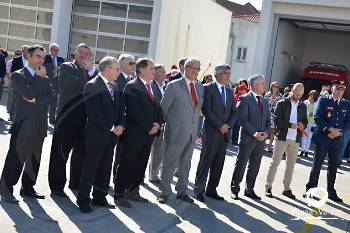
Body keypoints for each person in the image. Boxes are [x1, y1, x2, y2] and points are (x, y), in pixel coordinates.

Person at [0, 45, 55, 203]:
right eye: (38, 56)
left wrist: (37, 99)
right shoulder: (18, 75)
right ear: (28, 56)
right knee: (16, 159)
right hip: (24, 125)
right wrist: (39, 80)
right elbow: (28, 94)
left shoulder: (44, 76)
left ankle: (28, 188)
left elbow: (52, 98)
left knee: (34, 159)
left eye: (43, 57)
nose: (41, 60)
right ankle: (5, 189)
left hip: (40, 125)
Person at [48, 43, 98, 197]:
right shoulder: (67, 67)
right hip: (66, 119)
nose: (83, 55)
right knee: (60, 155)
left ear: (91, 57)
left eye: (87, 53)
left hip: (85, 121)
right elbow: (76, 85)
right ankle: (56, 186)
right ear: (75, 54)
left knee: (80, 155)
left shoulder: (94, 73)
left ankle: (75, 183)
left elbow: (98, 89)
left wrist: (91, 71)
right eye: (80, 52)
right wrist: (89, 72)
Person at [77, 56, 125, 213]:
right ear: (106, 69)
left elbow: (120, 110)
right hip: (96, 135)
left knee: (105, 169)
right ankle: (83, 200)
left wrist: (121, 125)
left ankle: (100, 198)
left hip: (111, 136)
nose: (119, 71)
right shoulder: (92, 85)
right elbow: (94, 113)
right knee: (90, 169)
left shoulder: (116, 86)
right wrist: (112, 127)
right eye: (117, 68)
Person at [114, 58, 163, 208]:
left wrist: (158, 124)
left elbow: (159, 108)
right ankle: (119, 194)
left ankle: (134, 192)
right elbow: (134, 111)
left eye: (154, 69)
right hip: (134, 134)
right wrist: (149, 126)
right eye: (151, 69)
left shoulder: (153, 86)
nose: (154, 72)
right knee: (127, 164)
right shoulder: (132, 86)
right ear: (141, 70)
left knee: (140, 165)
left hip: (149, 135)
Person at [157, 57, 204, 204]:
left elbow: (196, 110)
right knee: (170, 163)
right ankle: (164, 192)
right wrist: (171, 125)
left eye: (198, 69)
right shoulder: (174, 85)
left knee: (186, 163)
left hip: (192, 133)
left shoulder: (200, 87)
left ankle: (182, 191)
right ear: (186, 68)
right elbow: (163, 109)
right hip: (176, 132)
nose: (195, 71)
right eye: (193, 68)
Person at [194, 64, 237, 202]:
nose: (228, 76)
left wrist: (228, 125)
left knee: (219, 163)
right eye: (225, 73)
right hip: (211, 131)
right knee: (205, 161)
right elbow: (207, 110)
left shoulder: (230, 91)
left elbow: (234, 112)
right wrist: (220, 125)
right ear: (217, 74)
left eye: (229, 73)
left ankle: (212, 189)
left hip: (224, 133)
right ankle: (199, 190)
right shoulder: (208, 88)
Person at [305, 81, 350, 203]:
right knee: (317, 165)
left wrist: (339, 132)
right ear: (332, 89)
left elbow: (348, 121)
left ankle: (331, 191)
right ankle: (310, 189)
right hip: (323, 138)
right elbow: (317, 117)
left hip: (337, 139)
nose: (339, 92)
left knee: (333, 166)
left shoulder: (346, 104)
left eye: (342, 89)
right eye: (337, 89)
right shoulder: (324, 100)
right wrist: (330, 130)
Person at [230, 74, 270, 200]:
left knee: (255, 166)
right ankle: (235, 189)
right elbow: (243, 120)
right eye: (262, 83)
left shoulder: (264, 100)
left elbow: (268, 119)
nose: (265, 85)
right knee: (241, 164)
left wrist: (266, 133)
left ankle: (249, 189)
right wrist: (255, 133)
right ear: (254, 85)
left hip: (261, 140)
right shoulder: (244, 99)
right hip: (248, 139)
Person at [265, 83, 307, 199]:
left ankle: (286, 188)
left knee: (291, 166)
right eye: (296, 94)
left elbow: (305, 121)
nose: (298, 96)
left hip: (295, 140)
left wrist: (302, 124)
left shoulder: (303, 106)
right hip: (282, 138)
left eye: (300, 95)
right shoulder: (282, 103)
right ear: (292, 90)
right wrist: (290, 125)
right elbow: (276, 120)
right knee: (275, 163)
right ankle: (268, 187)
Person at [112, 54, 136, 175]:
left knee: (126, 152)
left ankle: (122, 176)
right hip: (118, 122)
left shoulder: (135, 79)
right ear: (121, 64)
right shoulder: (115, 79)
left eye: (134, 63)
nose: (134, 65)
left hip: (132, 123)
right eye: (130, 63)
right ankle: (116, 176)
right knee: (117, 151)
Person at [148, 64, 167, 183]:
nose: (165, 74)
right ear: (154, 73)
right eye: (162, 72)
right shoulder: (151, 86)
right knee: (146, 152)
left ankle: (153, 175)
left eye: (165, 72)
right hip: (152, 125)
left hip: (163, 125)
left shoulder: (166, 86)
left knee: (159, 152)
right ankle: (139, 178)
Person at [43, 43, 65, 125]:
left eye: (58, 50)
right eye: (55, 50)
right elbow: (40, 68)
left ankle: (52, 119)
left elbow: (64, 71)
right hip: (46, 83)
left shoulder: (61, 59)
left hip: (56, 84)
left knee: (54, 103)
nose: (57, 52)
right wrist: (51, 71)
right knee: (44, 102)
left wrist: (58, 70)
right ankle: (42, 118)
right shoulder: (45, 58)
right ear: (51, 50)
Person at [7, 45, 29, 121]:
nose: (27, 53)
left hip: (27, 85)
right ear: (22, 51)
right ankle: (12, 116)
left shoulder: (31, 60)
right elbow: (12, 72)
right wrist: (13, 82)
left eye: (28, 51)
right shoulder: (16, 60)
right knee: (14, 100)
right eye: (26, 51)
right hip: (17, 83)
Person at [264, 81, 283, 152]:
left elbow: (282, 106)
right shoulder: (267, 95)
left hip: (275, 115)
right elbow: (263, 104)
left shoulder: (280, 95)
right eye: (274, 86)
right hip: (267, 114)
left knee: (272, 131)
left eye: (277, 86)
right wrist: (270, 102)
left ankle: (269, 146)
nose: (276, 88)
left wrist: (276, 103)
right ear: (271, 87)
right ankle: (262, 145)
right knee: (265, 130)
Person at [300, 90, 319, 157]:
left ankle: (306, 150)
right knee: (304, 136)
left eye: (313, 95)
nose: (311, 96)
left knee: (309, 137)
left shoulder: (317, 104)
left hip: (312, 122)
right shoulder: (305, 102)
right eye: (310, 94)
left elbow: (317, 115)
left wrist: (314, 125)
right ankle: (302, 150)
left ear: (315, 96)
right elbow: (302, 112)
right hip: (305, 122)